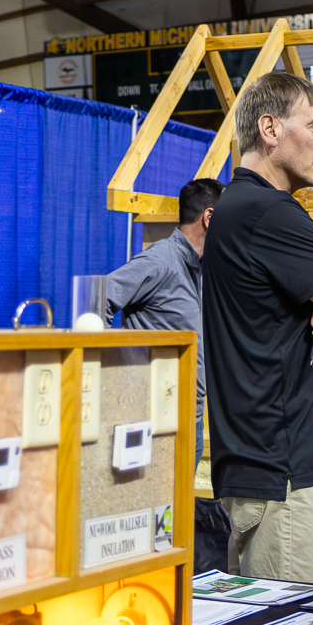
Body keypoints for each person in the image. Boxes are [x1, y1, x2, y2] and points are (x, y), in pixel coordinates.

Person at [203, 72, 313, 584]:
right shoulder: (269, 212)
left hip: (265, 470)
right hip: (282, 477)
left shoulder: (239, 208)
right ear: (270, 129)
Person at [105, 178, 228, 572]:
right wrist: (123, 376)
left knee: (169, 523)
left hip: (187, 416)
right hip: (153, 418)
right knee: (144, 516)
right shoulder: (161, 260)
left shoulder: (201, 268)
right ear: (209, 217)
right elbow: (99, 298)